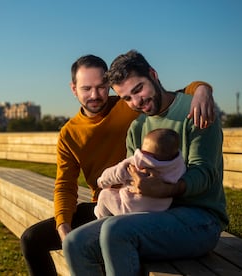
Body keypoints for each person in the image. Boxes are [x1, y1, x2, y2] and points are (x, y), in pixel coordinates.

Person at [20, 54, 215, 276]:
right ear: (74, 89)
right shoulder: (125, 121)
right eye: (86, 89)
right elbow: (65, 184)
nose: (136, 101)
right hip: (117, 204)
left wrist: (203, 89)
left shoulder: (134, 110)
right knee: (58, 241)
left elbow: (177, 96)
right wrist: (63, 225)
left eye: (101, 87)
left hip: (168, 211)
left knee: (114, 232)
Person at [94, 128, 186, 218]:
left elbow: (115, 173)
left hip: (128, 208)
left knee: (105, 195)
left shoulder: (139, 163)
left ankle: (100, 217)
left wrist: (101, 181)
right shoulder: (177, 165)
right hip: (159, 211)